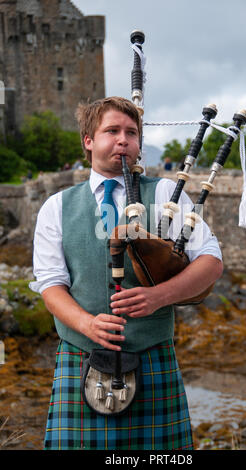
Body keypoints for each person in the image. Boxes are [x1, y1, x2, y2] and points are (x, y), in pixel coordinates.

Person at [29, 96, 223, 451]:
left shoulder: (164, 194)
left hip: (152, 355)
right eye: (112, 131)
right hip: (80, 355)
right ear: (88, 141)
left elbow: (210, 260)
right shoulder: (56, 207)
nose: (123, 140)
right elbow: (51, 284)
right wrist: (87, 324)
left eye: (131, 133)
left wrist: (159, 297)